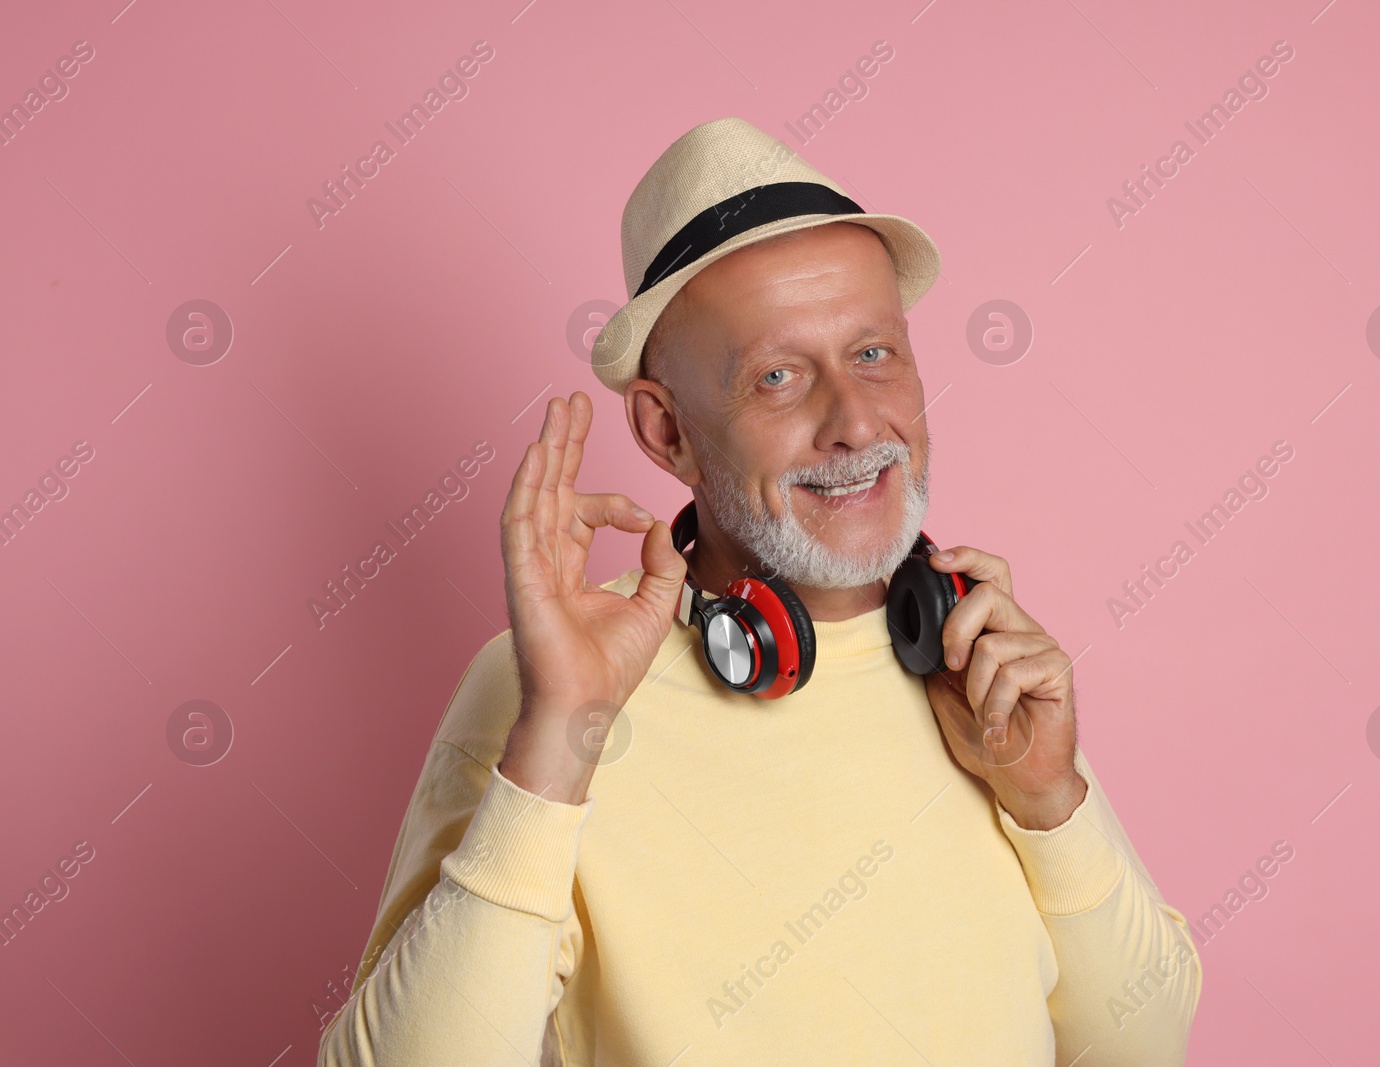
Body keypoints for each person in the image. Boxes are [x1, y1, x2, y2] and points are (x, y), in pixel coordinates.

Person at [318, 117, 1200, 1066]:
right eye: (778, 377)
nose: (856, 422)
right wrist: (554, 738)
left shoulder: (974, 660)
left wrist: (1047, 798)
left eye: (875, 354)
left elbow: (1143, 1043)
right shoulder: (551, 689)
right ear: (668, 435)